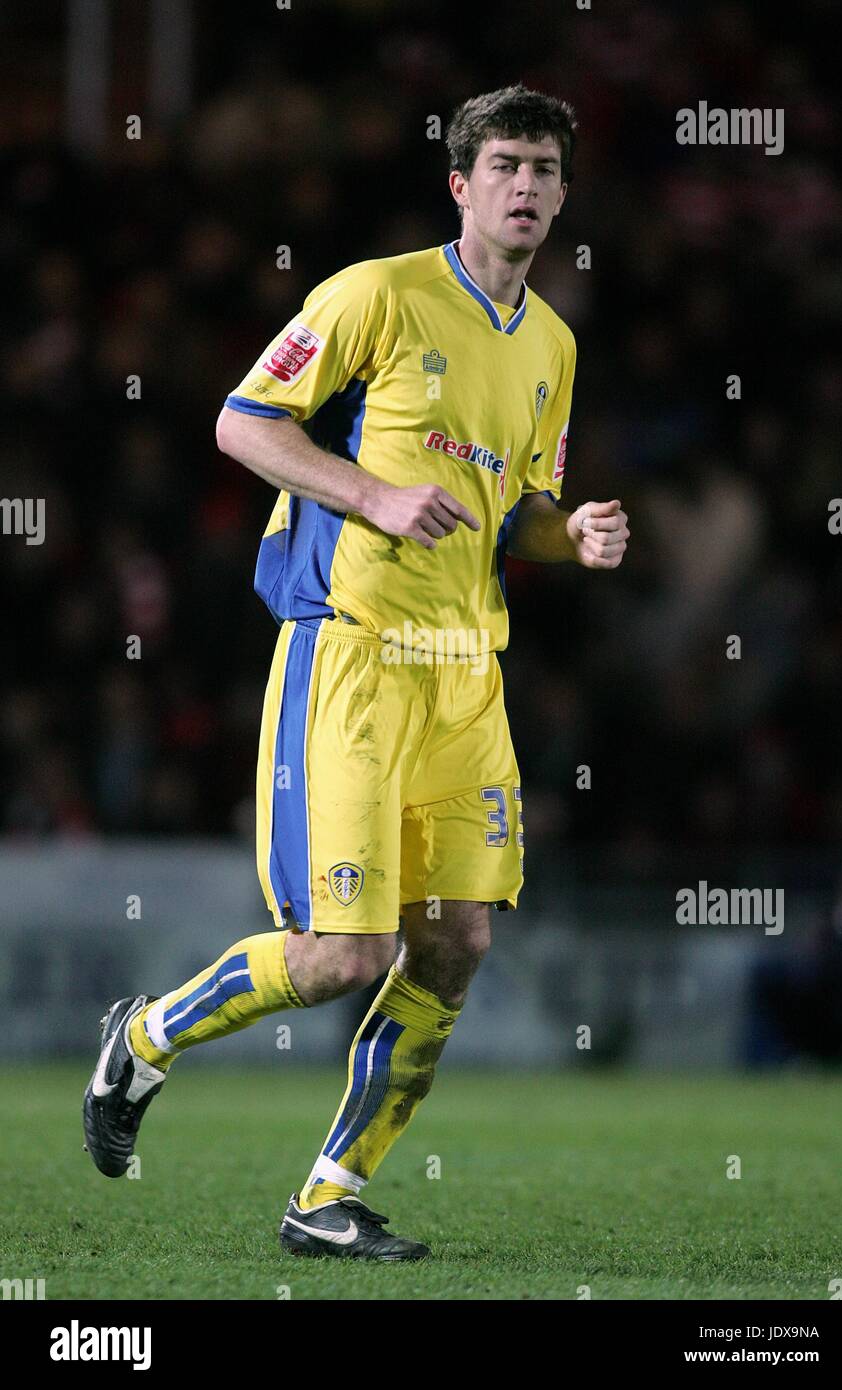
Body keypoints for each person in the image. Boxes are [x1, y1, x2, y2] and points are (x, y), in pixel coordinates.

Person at [83, 83, 629, 1261]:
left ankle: (327, 1192)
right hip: (352, 652)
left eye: (544, 169)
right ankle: (143, 1041)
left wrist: (565, 533)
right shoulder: (377, 293)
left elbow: (512, 511)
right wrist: (372, 492)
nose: (526, 187)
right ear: (460, 184)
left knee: (455, 943)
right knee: (345, 954)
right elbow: (243, 423)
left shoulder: (552, 344)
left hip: (464, 673)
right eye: (505, 167)